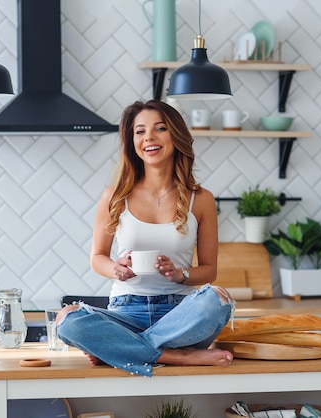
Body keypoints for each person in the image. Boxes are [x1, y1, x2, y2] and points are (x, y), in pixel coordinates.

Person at [56, 99, 234, 377]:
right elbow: (97, 258)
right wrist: (115, 268)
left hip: (180, 316)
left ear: (176, 136)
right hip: (126, 312)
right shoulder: (114, 196)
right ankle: (176, 356)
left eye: (159, 128)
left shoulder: (201, 199)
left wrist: (180, 274)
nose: (148, 137)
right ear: (132, 141)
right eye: (139, 131)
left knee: (218, 298)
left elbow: (210, 271)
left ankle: (119, 350)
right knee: (67, 319)